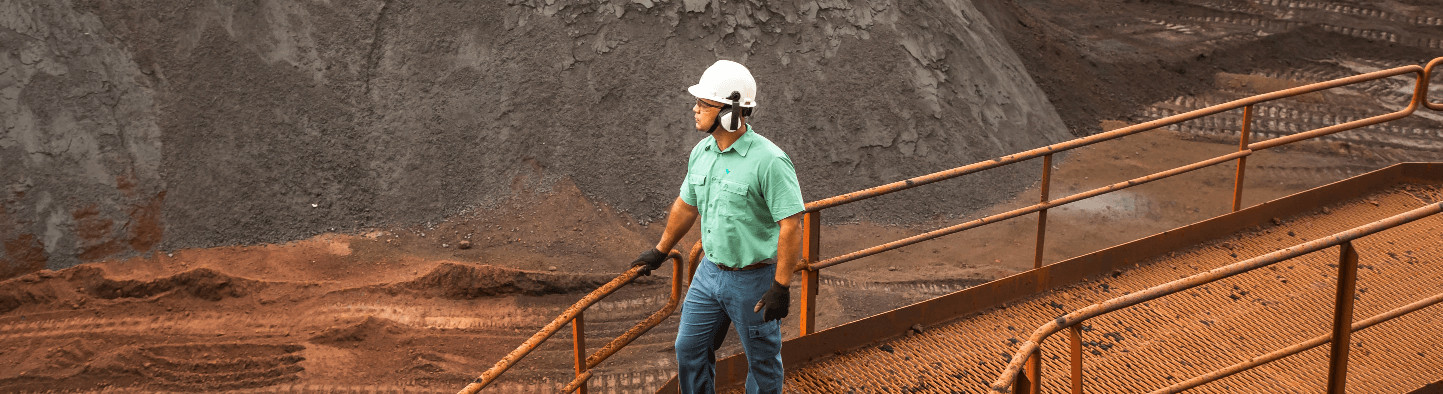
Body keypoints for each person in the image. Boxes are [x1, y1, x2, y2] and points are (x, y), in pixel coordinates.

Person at [630, 60, 805, 394]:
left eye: (703, 103)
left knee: (762, 360)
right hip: (709, 273)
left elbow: (791, 224)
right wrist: (660, 250)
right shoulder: (702, 152)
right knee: (689, 349)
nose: (694, 109)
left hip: (754, 280)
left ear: (732, 112)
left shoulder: (769, 161)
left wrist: (781, 286)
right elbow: (686, 205)